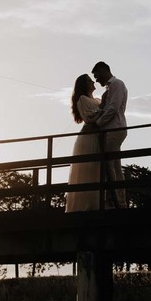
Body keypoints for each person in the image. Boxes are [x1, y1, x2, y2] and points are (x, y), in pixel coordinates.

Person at [91, 61, 128, 208]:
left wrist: (97, 124)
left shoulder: (117, 84)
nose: (96, 80)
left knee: (109, 165)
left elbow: (113, 108)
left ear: (102, 71)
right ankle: (120, 201)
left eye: (96, 76)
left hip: (114, 129)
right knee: (115, 166)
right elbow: (109, 108)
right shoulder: (110, 88)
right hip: (113, 129)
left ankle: (113, 201)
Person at [66, 73, 103, 212]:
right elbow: (89, 118)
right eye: (89, 80)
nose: (93, 81)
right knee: (87, 170)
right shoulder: (82, 99)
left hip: (97, 136)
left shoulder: (97, 100)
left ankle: (96, 203)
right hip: (88, 138)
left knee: (96, 170)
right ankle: (86, 206)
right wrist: (103, 111)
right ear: (84, 85)